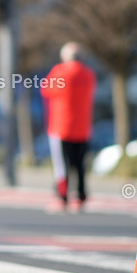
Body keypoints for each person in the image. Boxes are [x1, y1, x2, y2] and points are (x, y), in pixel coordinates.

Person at [41, 43, 97, 212]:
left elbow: (46, 90)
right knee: (79, 163)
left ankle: (62, 196)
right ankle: (80, 196)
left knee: (61, 164)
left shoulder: (59, 72)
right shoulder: (88, 74)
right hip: (82, 127)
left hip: (61, 126)